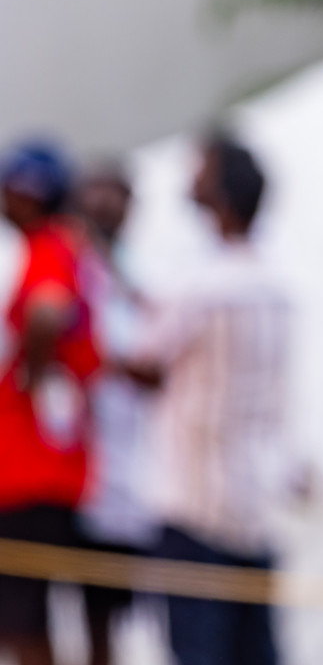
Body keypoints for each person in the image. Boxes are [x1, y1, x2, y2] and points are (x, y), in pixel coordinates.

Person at [124, 135, 292, 665]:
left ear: (218, 192)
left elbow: (146, 360)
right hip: (254, 500)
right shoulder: (274, 283)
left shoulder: (204, 283)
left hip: (195, 503)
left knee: (200, 650)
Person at [0, 141, 100, 665]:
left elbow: (46, 311)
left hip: (32, 469)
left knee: (23, 619)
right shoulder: (67, 244)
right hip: (48, 464)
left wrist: (30, 377)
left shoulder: (49, 246)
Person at [73, 163, 157, 665]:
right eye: (94, 194)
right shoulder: (68, 271)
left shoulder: (144, 271)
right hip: (84, 471)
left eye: (115, 195)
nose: (103, 206)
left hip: (142, 471)